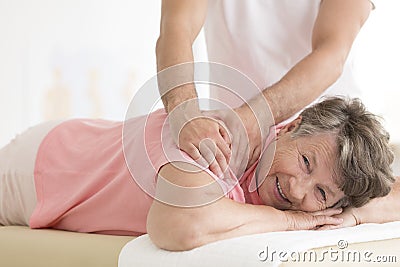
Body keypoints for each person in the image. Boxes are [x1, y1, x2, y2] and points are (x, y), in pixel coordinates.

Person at [0, 97, 397, 251]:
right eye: (306, 163)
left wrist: (354, 215)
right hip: (39, 167)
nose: (297, 188)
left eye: (322, 194)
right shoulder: (218, 137)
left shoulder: (287, 185)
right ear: (289, 127)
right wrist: (293, 220)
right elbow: (178, 225)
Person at [156, 0, 375, 178]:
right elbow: (176, 29)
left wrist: (256, 116)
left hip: (329, 146)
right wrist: (184, 113)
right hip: (233, 140)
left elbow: (331, 56)